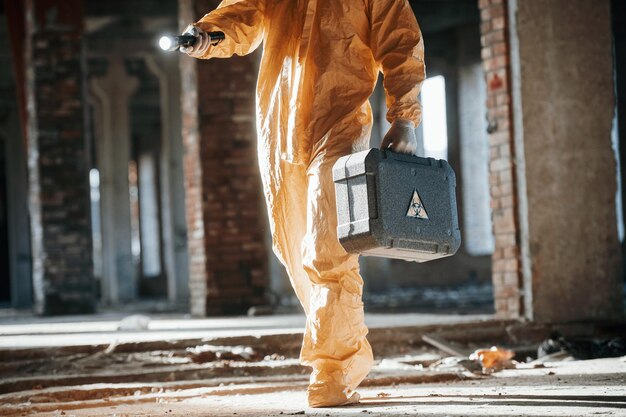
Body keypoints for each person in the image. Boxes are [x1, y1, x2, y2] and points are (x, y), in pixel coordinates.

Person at [181, 0, 425, 408]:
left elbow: (401, 43)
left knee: (327, 247)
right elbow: (244, 14)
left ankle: (334, 367)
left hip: (340, 123)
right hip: (280, 127)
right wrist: (209, 35)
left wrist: (405, 118)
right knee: (294, 246)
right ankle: (341, 346)